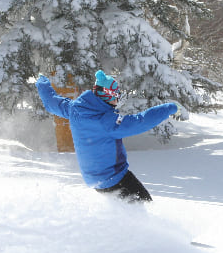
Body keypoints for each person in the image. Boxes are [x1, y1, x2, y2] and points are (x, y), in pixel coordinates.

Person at [35, 70, 178, 202]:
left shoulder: (74, 109)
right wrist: (167, 109)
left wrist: (43, 83)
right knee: (145, 205)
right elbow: (140, 121)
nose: (118, 101)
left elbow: (51, 102)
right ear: (108, 96)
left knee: (126, 212)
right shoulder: (107, 121)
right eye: (117, 97)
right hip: (114, 178)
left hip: (94, 180)